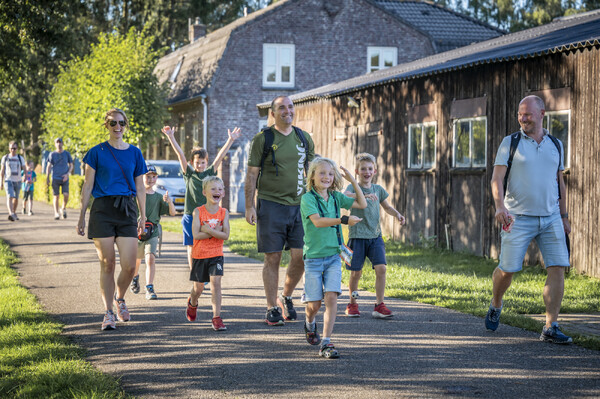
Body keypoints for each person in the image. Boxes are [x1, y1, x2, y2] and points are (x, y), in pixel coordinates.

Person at [488, 95, 572, 344]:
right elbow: (497, 179)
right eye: (519, 114)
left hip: (551, 217)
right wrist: (500, 206)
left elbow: (560, 182)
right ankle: (496, 302)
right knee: (508, 270)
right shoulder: (510, 142)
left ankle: (551, 326)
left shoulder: (556, 144)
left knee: (557, 267)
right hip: (517, 218)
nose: (523, 118)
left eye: (528, 114)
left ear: (542, 113)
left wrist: (565, 216)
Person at [245, 95, 315, 326]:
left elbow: (312, 174)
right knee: (272, 257)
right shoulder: (262, 139)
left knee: (300, 257)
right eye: (282, 108)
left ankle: (285, 296)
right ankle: (271, 307)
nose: (287, 111)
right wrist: (249, 206)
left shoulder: (304, 138)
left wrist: (318, 203)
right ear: (273, 113)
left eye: (290, 107)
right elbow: (252, 174)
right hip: (270, 204)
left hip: (300, 206)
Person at [77, 108, 147, 331]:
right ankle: (108, 313)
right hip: (103, 210)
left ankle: (120, 298)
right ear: (106, 125)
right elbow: (87, 185)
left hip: (127, 209)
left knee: (129, 267)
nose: (117, 127)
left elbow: (140, 187)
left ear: (126, 125)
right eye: (112, 123)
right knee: (107, 263)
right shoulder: (96, 152)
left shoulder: (135, 153)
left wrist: (143, 215)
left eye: (121, 123)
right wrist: (81, 216)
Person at [300, 157, 366, 358]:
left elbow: (361, 203)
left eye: (330, 173)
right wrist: (344, 219)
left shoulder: (336, 197)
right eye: (322, 173)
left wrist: (353, 181)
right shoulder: (308, 199)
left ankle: (326, 343)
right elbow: (318, 222)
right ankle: (310, 323)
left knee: (331, 298)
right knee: (315, 305)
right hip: (312, 259)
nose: (326, 177)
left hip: (333, 258)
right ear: (312, 177)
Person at [161, 125, 241, 272]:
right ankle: (195, 273)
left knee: (205, 245)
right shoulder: (189, 174)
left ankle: (204, 271)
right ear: (192, 163)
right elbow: (180, 155)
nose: (200, 165)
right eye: (197, 162)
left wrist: (230, 140)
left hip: (206, 216)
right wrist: (171, 137)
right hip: (190, 215)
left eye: (203, 162)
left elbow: (220, 157)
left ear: (206, 162)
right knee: (191, 246)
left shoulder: (210, 173)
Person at [343, 153, 406, 318]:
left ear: (375, 171)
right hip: (357, 236)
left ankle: (379, 305)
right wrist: (362, 195)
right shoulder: (353, 187)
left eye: (370, 168)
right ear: (357, 171)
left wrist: (397, 214)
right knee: (356, 272)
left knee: (381, 268)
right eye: (363, 169)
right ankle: (352, 304)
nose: (367, 172)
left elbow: (386, 207)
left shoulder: (378, 189)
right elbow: (345, 196)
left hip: (375, 236)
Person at [186, 176, 230, 331]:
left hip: (216, 254)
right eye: (213, 189)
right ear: (204, 192)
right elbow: (196, 235)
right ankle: (192, 302)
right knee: (198, 289)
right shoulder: (198, 212)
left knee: (216, 284)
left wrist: (209, 230)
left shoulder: (224, 213)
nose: (217, 191)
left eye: (220, 189)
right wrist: (216, 231)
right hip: (199, 255)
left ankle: (217, 318)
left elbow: (225, 235)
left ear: (223, 193)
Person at [131, 164, 176, 300]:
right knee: (136, 261)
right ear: (141, 177)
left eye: (153, 177)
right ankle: (135, 277)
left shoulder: (158, 197)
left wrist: (170, 202)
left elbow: (172, 213)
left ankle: (149, 287)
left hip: (153, 232)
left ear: (156, 178)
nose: (150, 179)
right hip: (137, 232)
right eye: (147, 176)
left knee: (150, 258)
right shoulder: (135, 196)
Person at [46, 137, 74, 220]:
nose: (58, 144)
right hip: (55, 178)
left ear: (62, 143)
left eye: (60, 142)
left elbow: (71, 165)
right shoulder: (52, 154)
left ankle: (63, 208)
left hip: (65, 177)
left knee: (66, 195)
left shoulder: (67, 154)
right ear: (55, 144)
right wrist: (47, 177)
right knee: (56, 196)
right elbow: (48, 166)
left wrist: (67, 174)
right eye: (57, 142)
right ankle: (56, 213)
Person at [1, 141, 26, 221]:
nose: (13, 150)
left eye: (14, 148)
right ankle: (10, 213)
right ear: (9, 149)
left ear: (17, 149)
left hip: (18, 181)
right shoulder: (5, 158)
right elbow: (2, 171)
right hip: (8, 180)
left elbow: (25, 169)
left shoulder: (20, 158)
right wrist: (1, 182)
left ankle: (14, 212)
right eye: (11, 148)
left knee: (16, 198)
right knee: (10, 196)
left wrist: (25, 177)